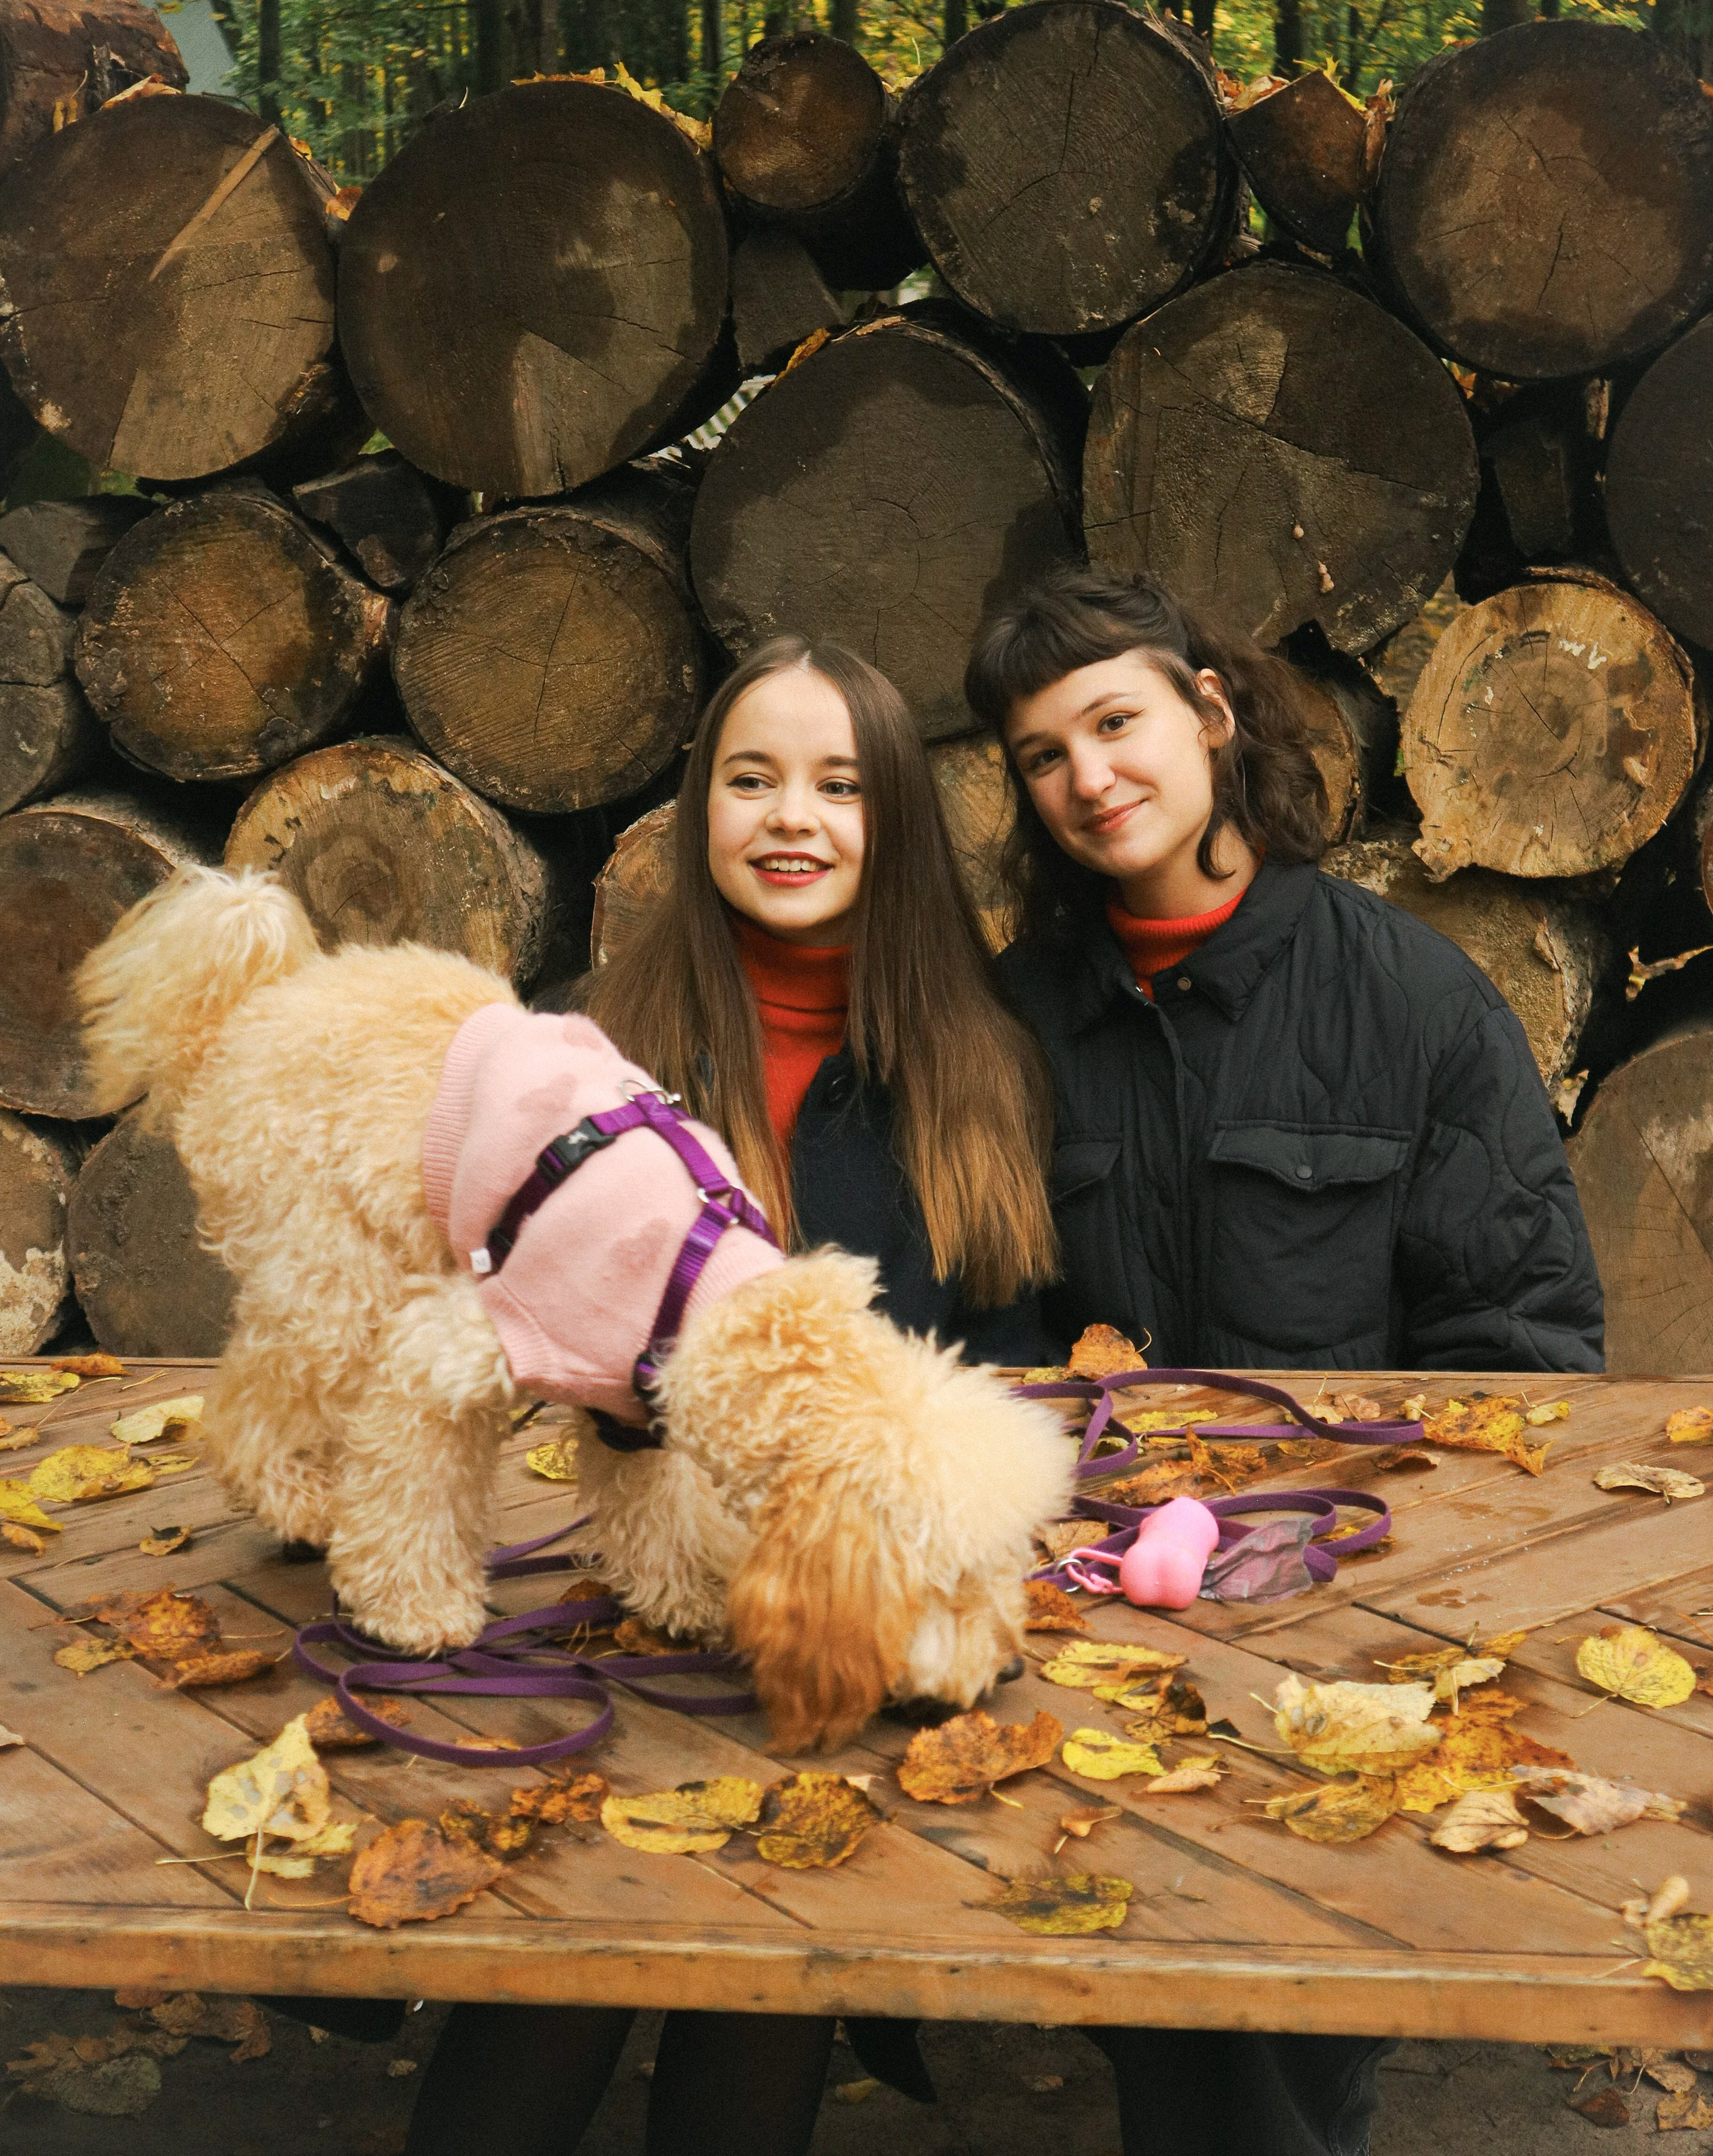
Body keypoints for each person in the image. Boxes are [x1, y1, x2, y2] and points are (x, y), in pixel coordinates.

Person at [329, 634, 1058, 2156]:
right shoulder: (590, 1053)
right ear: (700, 805)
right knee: (565, 1955)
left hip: (825, 1627)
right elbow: (473, 1326)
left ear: (895, 825)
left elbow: (982, 1372)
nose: (791, 815)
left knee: (756, 1959)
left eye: (838, 785)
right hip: (610, 1605)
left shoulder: (972, 1071)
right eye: (751, 778)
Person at [963, 561, 1605, 2156]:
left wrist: (1408, 1587)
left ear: (1205, 708)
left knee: (1289, 2048)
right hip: (1093, 1600)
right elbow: (970, 1318)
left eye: (1113, 721)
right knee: (1160, 2018)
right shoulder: (1013, 1021)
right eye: (1042, 754)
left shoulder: (1406, 998)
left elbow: (1522, 1342)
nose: (1086, 777)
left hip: (1348, 1597)